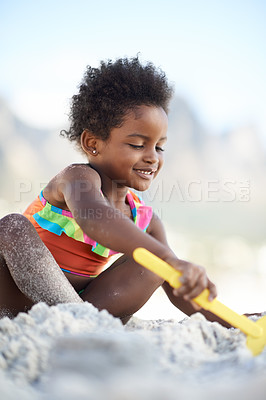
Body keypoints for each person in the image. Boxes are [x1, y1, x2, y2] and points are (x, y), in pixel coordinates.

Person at [0, 57, 219, 324]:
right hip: (16, 298)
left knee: (154, 264)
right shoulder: (77, 179)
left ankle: (78, 319)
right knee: (12, 226)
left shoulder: (145, 220)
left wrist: (228, 321)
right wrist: (166, 258)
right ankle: (72, 316)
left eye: (159, 147)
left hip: (89, 304)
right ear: (93, 143)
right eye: (138, 144)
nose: (153, 157)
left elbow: (176, 283)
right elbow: (95, 217)